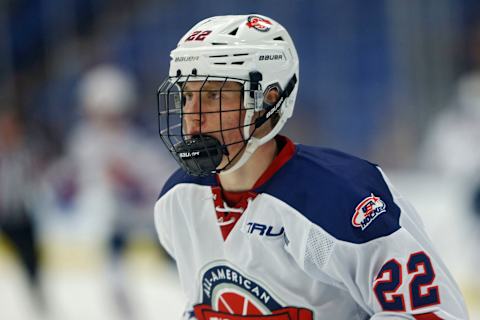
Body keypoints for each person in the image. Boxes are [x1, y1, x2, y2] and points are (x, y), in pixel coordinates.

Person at [154, 14, 468, 319]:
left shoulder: (344, 199)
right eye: (186, 96)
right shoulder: (179, 199)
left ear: (268, 100)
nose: (192, 116)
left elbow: (433, 314)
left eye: (212, 96)